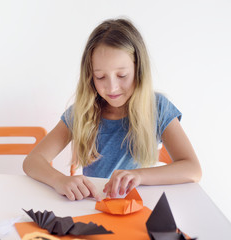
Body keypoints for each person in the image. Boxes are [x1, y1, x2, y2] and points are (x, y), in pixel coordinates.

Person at [23, 18, 202, 201]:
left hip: (139, 207)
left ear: (138, 69)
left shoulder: (157, 107)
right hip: (93, 208)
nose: (112, 87)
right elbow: (32, 161)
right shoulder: (83, 112)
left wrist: (139, 176)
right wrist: (59, 180)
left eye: (122, 75)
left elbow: (193, 169)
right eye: (100, 77)